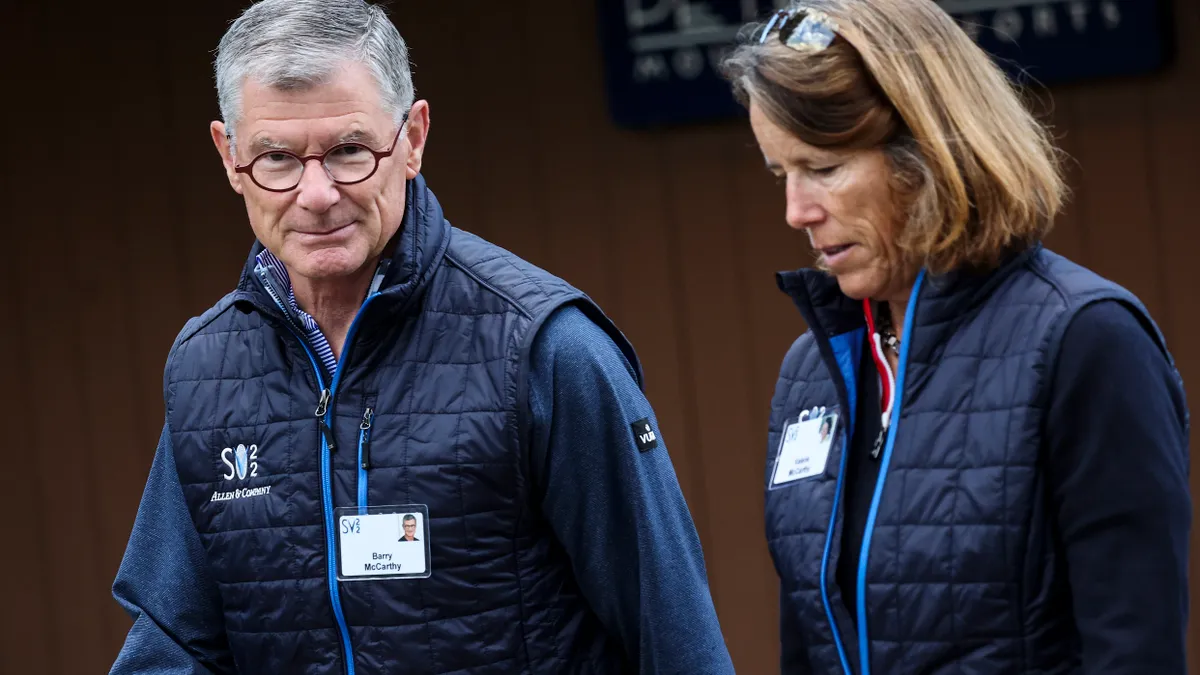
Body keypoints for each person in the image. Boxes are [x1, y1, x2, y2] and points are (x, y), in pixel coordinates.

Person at [109, 1, 735, 673]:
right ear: (230, 158)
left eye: (350, 150)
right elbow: (173, 645)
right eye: (277, 158)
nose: (316, 193)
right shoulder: (206, 371)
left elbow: (676, 640)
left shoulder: (544, 348)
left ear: (413, 138)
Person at [722, 1, 1190, 673]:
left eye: (823, 168)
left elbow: (1133, 650)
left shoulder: (1085, 339)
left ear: (932, 152)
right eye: (781, 174)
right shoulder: (812, 369)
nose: (797, 211)